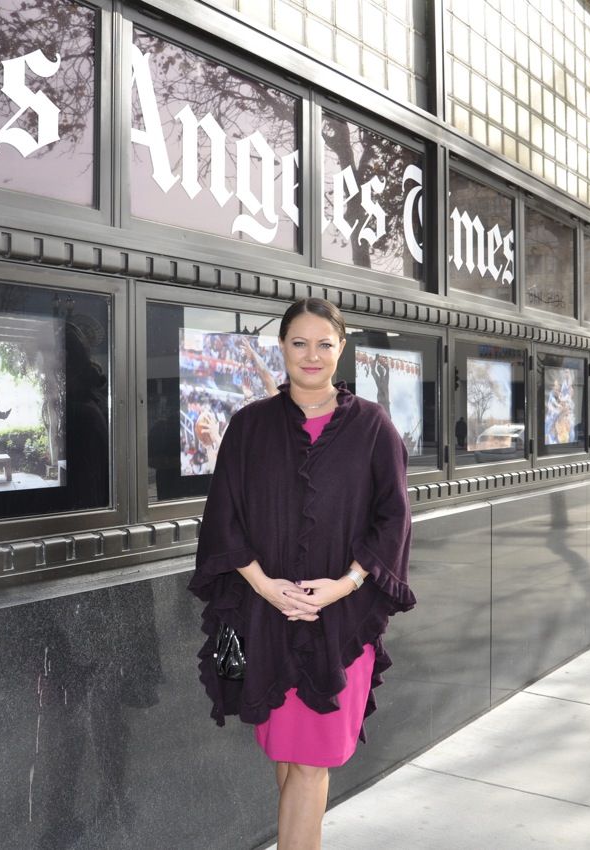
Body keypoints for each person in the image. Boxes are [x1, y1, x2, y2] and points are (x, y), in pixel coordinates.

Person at [189, 297, 416, 850]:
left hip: (340, 624)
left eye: (324, 343)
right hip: (267, 619)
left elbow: (394, 521)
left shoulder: (372, 429)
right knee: (291, 763)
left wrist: (344, 585)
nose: (311, 355)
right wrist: (267, 588)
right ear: (282, 348)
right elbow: (223, 518)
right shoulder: (248, 427)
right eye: (298, 343)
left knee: (311, 765)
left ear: (341, 349)